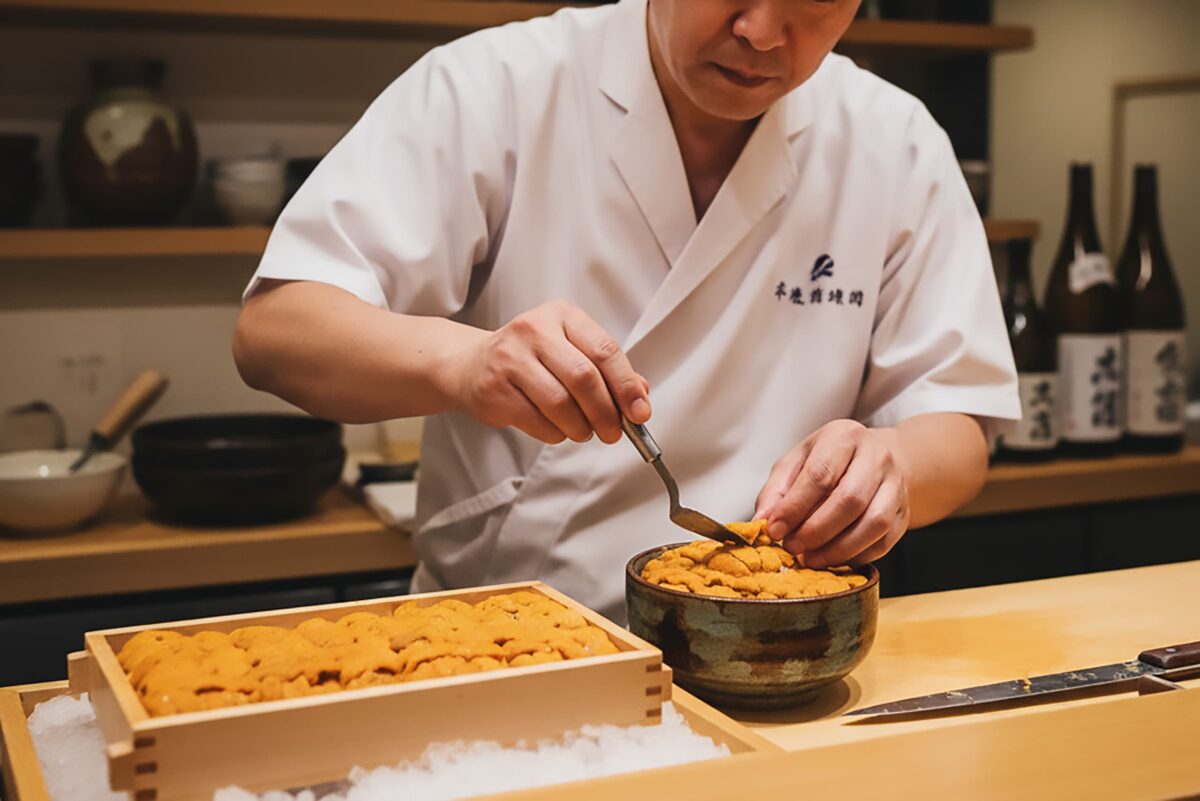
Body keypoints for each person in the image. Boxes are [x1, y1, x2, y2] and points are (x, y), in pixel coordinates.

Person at [233, 0, 1019, 622]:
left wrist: (892, 470)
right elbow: (274, 330)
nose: (762, 31)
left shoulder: (893, 139)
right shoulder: (498, 86)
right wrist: (466, 363)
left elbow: (957, 421)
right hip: (512, 638)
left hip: (775, 642)